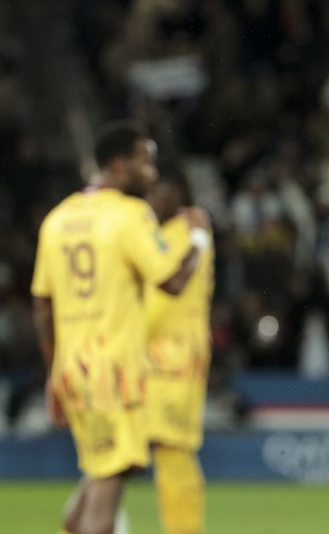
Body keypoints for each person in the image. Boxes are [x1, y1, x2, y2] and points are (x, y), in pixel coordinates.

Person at [31, 121, 208, 534]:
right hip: (114, 374)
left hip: (73, 371)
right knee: (107, 493)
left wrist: (53, 373)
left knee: (99, 475)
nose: (152, 172)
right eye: (145, 161)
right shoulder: (130, 216)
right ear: (119, 164)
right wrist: (197, 239)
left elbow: (42, 306)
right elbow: (174, 282)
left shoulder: (58, 218)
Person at [145, 166, 215, 534]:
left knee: (170, 450)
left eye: (159, 192)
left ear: (176, 193)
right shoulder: (190, 229)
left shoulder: (180, 232)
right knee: (170, 453)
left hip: (167, 358)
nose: (152, 200)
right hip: (173, 356)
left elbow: (161, 296)